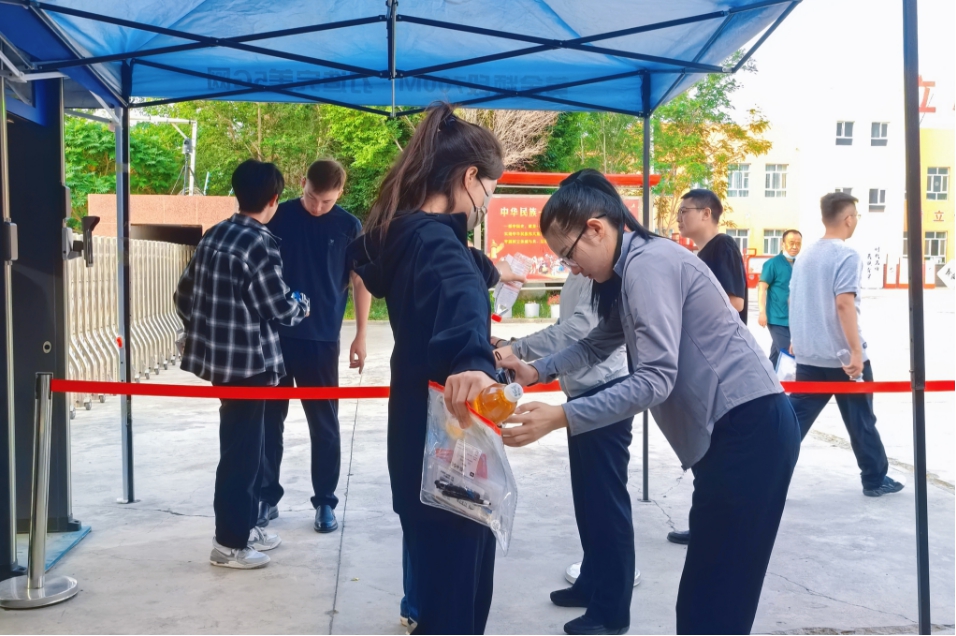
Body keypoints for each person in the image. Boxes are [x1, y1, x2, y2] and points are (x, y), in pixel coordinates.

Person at [500, 170, 801, 635]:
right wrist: (537, 370)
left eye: (569, 255)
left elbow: (656, 379)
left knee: (716, 604)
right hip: (728, 437)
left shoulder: (648, 265)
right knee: (703, 598)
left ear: (596, 228)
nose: (572, 269)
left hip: (749, 431)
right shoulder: (630, 268)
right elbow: (600, 340)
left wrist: (561, 416)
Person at [348, 102, 504, 634]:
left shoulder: (407, 234)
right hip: (449, 445)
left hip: (414, 437)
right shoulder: (438, 244)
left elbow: (457, 273)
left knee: (436, 589)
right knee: (457, 601)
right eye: (488, 192)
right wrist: (475, 361)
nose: (484, 206)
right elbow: (459, 294)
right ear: (469, 177)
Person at [175, 159, 309, 569]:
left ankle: (245, 526)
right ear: (274, 199)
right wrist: (301, 303)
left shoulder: (215, 234)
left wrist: (210, 332)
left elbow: (183, 295)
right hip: (251, 365)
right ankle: (229, 544)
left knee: (245, 446)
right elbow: (277, 306)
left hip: (220, 363)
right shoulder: (259, 242)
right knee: (242, 455)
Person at [490, 269, 638, 634]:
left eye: (568, 249)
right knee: (588, 502)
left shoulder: (603, 275)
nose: (569, 261)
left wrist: (516, 349)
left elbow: (577, 332)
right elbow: (568, 331)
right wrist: (522, 355)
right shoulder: (577, 276)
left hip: (606, 393)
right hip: (581, 393)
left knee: (607, 506)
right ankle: (591, 582)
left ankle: (612, 611)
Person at [257, 160, 371, 534]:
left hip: (322, 340)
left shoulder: (348, 225)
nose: (318, 207)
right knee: (269, 422)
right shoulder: (277, 216)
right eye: (311, 197)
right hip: (275, 337)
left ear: (340, 193)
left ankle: (325, 501)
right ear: (302, 182)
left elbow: (359, 281)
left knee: (324, 425)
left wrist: (361, 334)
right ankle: (266, 497)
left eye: (327, 201)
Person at [788, 192, 904, 498]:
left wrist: (798, 338)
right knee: (861, 420)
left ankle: (762, 473)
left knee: (793, 422)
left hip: (810, 357)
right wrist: (855, 352)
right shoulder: (846, 254)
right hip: (844, 360)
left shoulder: (805, 255)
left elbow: (793, 299)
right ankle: (874, 479)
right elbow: (844, 304)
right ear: (849, 219)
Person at [669, 188, 749, 546]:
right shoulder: (700, 254)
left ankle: (714, 526)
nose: (679, 217)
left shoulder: (723, 247)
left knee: (715, 450)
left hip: (722, 365)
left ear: (707, 214)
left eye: (685, 210)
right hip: (705, 363)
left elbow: (734, 301)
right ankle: (706, 522)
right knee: (706, 451)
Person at [758, 229, 802, 369]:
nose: (795, 246)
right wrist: (762, 312)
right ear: (782, 244)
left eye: (798, 243)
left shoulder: (800, 264)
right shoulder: (773, 264)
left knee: (777, 356)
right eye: (791, 243)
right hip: (776, 318)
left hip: (793, 320)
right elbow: (762, 288)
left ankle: (768, 378)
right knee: (788, 354)